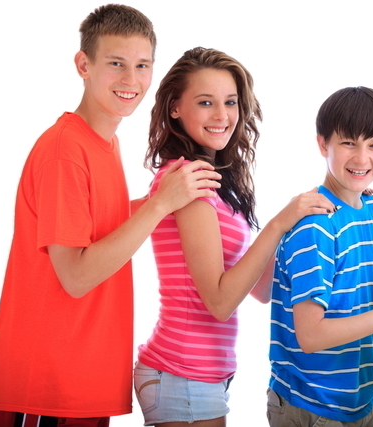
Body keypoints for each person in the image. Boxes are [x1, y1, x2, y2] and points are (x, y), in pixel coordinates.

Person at [0, 6, 222, 427]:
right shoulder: (65, 150)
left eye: (142, 65)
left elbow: (98, 223)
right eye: (116, 63)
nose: (131, 79)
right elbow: (76, 276)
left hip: (85, 383)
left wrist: (163, 199)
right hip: (49, 387)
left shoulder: (104, 144)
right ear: (84, 65)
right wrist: (159, 205)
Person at [133, 47, 336, 427]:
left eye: (230, 102)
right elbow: (220, 302)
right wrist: (278, 223)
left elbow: (260, 288)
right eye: (205, 102)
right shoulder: (187, 180)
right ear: (175, 108)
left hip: (201, 376)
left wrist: (322, 214)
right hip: (181, 373)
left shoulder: (215, 183)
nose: (222, 115)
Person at [267, 86, 373, 426]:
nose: (362, 159)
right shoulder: (315, 226)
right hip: (313, 405)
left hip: (359, 402)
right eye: (349, 143)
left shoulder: (371, 210)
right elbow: (311, 336)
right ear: (323, 144)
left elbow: (366, 302)